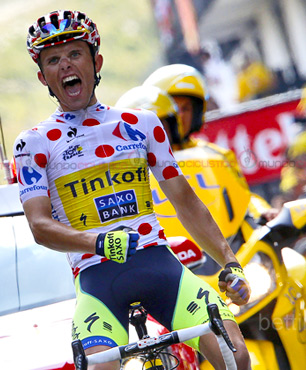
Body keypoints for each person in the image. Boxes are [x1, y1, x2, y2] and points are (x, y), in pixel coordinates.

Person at [13, 10, 251, 370]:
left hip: (160, 265)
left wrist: (230, 264)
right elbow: (39, 226)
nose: (65, 66)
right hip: (96, 278)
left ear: (96, 61)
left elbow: (185, 202)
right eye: (53, 60)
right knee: (99, 366)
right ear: (42, 75)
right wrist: (97, 242)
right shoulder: (33, 144)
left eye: (75, 54)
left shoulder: (143, 124)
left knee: (235, 356)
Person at [142, 63, 278, 222]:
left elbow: (243, 197)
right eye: (173, 110)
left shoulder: (217, 154)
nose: (180, 117)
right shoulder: (138, 162)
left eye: (186, 109)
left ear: (197, 113)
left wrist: (262, 210)